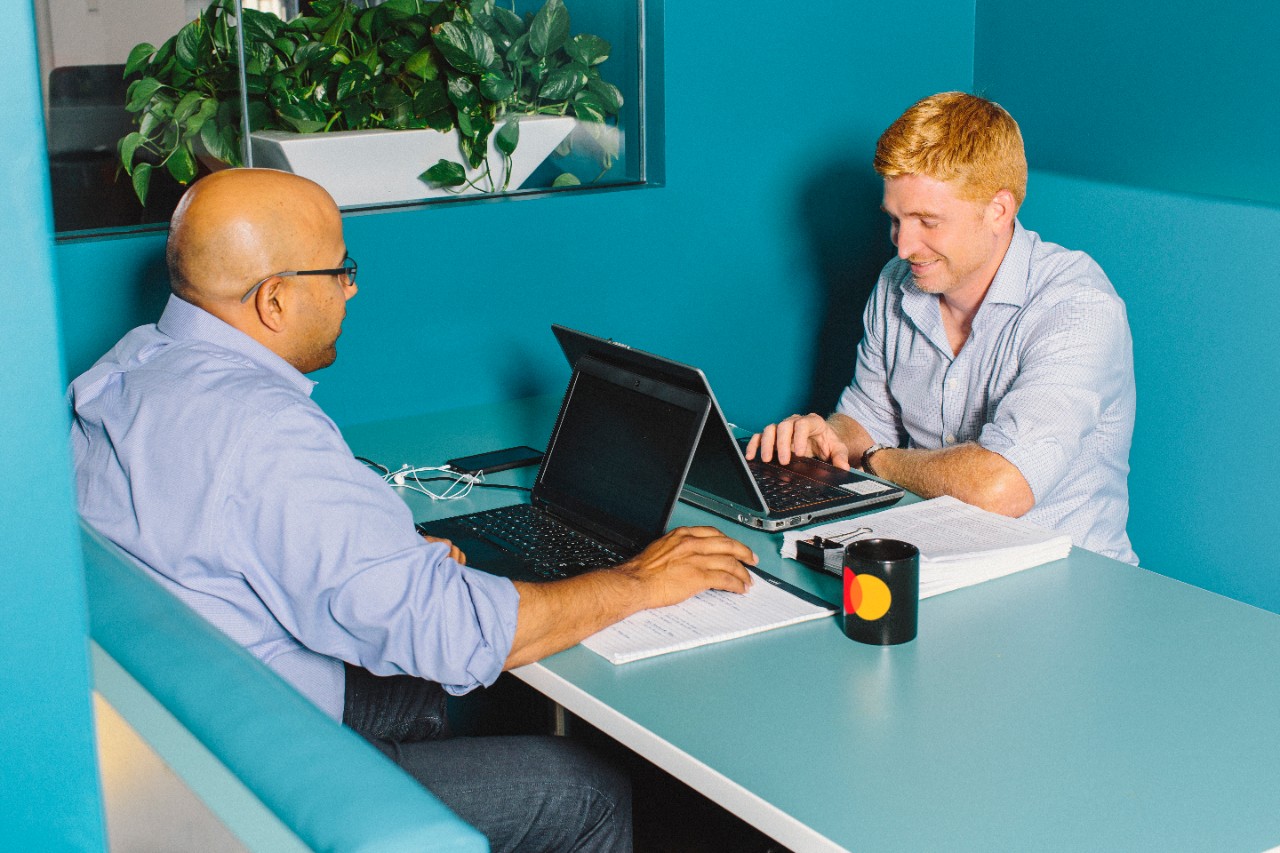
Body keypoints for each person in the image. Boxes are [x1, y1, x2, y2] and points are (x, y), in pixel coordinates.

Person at [69, 167, 757, 852]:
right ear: (273, 301)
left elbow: (239, 537)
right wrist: (636, 582)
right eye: (340, 270)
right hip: (261, 767)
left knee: (498, 697)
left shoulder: (125, 369)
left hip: (198, 706)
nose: (353, 287)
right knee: (586, 789)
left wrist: (384, 559)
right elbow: (453, 631)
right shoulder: (264, 432)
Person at [747, 92, 1137, 564]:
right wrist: (826, 438)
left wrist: (874, 460)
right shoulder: (897, 284)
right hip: (933, 559)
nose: (903, 246)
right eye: (895, 220)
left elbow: (1001, 487)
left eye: (928, 221)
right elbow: (865, 418)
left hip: (1065, 576)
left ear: (998, 210)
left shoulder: (1077, 308)